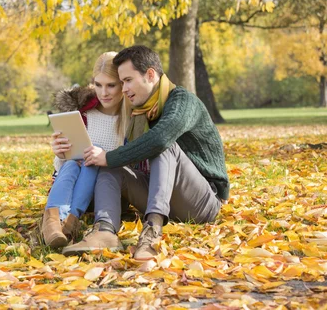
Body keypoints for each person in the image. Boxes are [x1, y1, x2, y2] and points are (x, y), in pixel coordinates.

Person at [62, 45, 228, 260]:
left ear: (150, 75)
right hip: (160, 194)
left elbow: (160, 139)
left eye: (128, 81)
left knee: (163, 145)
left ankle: (152, 234)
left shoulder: (183, 101)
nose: (123, 89)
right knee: (111, 167)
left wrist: (110, 156)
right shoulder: (140, 112)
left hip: (201, 201)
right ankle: (104, 231)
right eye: (121, 82)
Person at [42, 52, 127, 248]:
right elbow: (63, 165)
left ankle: (65, 221)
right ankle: (57, 224)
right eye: (98, 85)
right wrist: (60, 152)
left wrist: (103, 157)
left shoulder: (131, 117)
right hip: (71, 189)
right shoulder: (85, 113)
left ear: (123, 84)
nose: (103, 92)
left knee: (92, 164)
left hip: (107, 193)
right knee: (71, 164)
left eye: (111, 85)